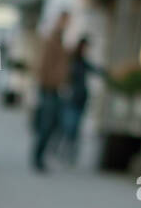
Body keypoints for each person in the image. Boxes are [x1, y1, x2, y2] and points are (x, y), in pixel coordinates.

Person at [31, 12, 70, 172]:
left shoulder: (61, 41)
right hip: (48, 88)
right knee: (47, 124)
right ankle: (38, 157)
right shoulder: (52, 41)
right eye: (65, 21)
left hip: (56, 89)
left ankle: (42, 155)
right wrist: (46, 83)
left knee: (54, 124)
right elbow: (44, 65)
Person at [59, 36, 102, 162]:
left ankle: (70, 153)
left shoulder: (83, 61)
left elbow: (95, 69)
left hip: (81, 99)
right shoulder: (72, 60)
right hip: (71, 98)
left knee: (75, 128)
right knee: (69, 127)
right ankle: (64, 150)